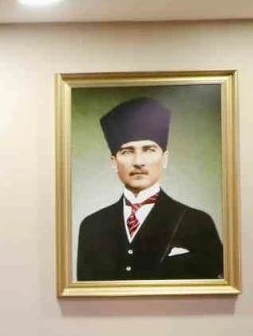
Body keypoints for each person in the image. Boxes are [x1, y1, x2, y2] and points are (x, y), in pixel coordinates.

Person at [76, 96, 223, 281]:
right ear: (114, 162)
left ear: (165, 158)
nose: (138, 161)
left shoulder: (197, 222)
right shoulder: (92, 226)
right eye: (127, 151)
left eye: (149, 149)